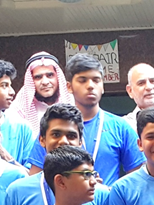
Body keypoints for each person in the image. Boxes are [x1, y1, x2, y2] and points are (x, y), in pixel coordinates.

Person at [1, 104, 113, 205]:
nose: (63, 141)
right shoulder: (18, 191)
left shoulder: (99, 194)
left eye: (71, 136)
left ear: (80, 142)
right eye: (56, 134)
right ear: (42, 140)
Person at [26, 54, 145, 186]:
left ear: (103, 86)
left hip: (107, 198)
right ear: (69, 87)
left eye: (96, 80)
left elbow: (138, 177)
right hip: (61, 198)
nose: (90, 86)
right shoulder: (54, 129)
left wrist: (110, 191)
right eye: (82, 80)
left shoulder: (120, 127)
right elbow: (35, 180)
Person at [9, 51, 74, 129]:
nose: (45, 82)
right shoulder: (18, 109)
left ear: (58, 77)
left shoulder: (73, 102)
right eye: (38, 77)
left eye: (50, 75)